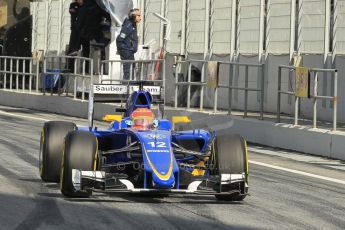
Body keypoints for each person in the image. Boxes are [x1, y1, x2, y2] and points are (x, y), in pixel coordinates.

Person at [116, 8, 142, 80]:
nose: (140, 18)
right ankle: (126, 86)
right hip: (126, 51)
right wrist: (122, 49)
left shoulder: (133, 25)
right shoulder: (128, 26)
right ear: (133, 16)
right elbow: (119, 39)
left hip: (130, 51)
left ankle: (130, 84)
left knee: (132, 69)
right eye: (138, 15)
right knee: (127, 71)